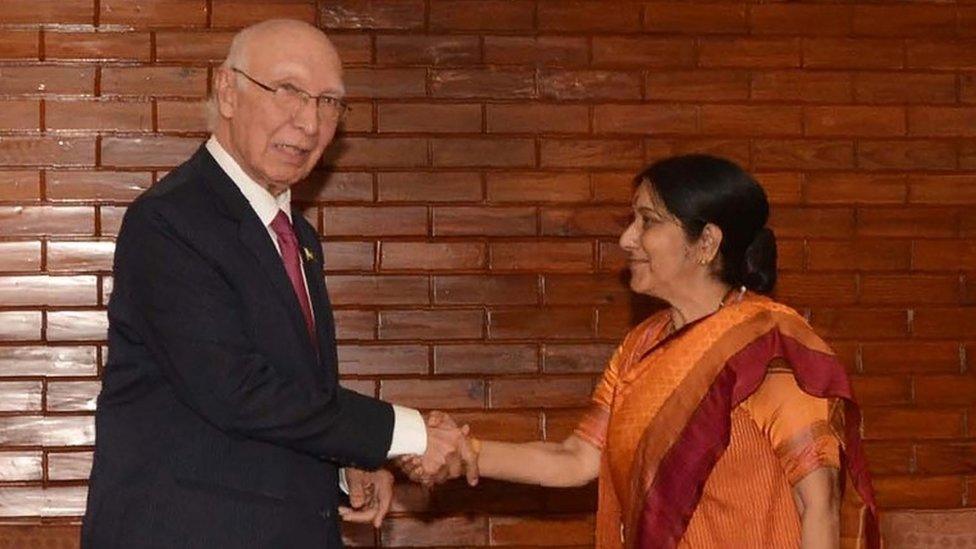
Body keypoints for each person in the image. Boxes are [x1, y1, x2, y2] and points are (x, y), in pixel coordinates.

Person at [82, 19, 465, 548]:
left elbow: (294, 397)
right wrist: (405, 434)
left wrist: (344, 462)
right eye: (288, 91)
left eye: (329, 102)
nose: (309, 122)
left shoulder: (297, 236)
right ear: (227, 92)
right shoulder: (170, 221)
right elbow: (237, 390)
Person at [403, 155, 879, 549]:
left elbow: (817, 504)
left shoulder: (769, 346)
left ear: (706, 243)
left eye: (647, 222)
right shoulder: (642, 346)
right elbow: (575, 460)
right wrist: (463, 452)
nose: (626, 239)